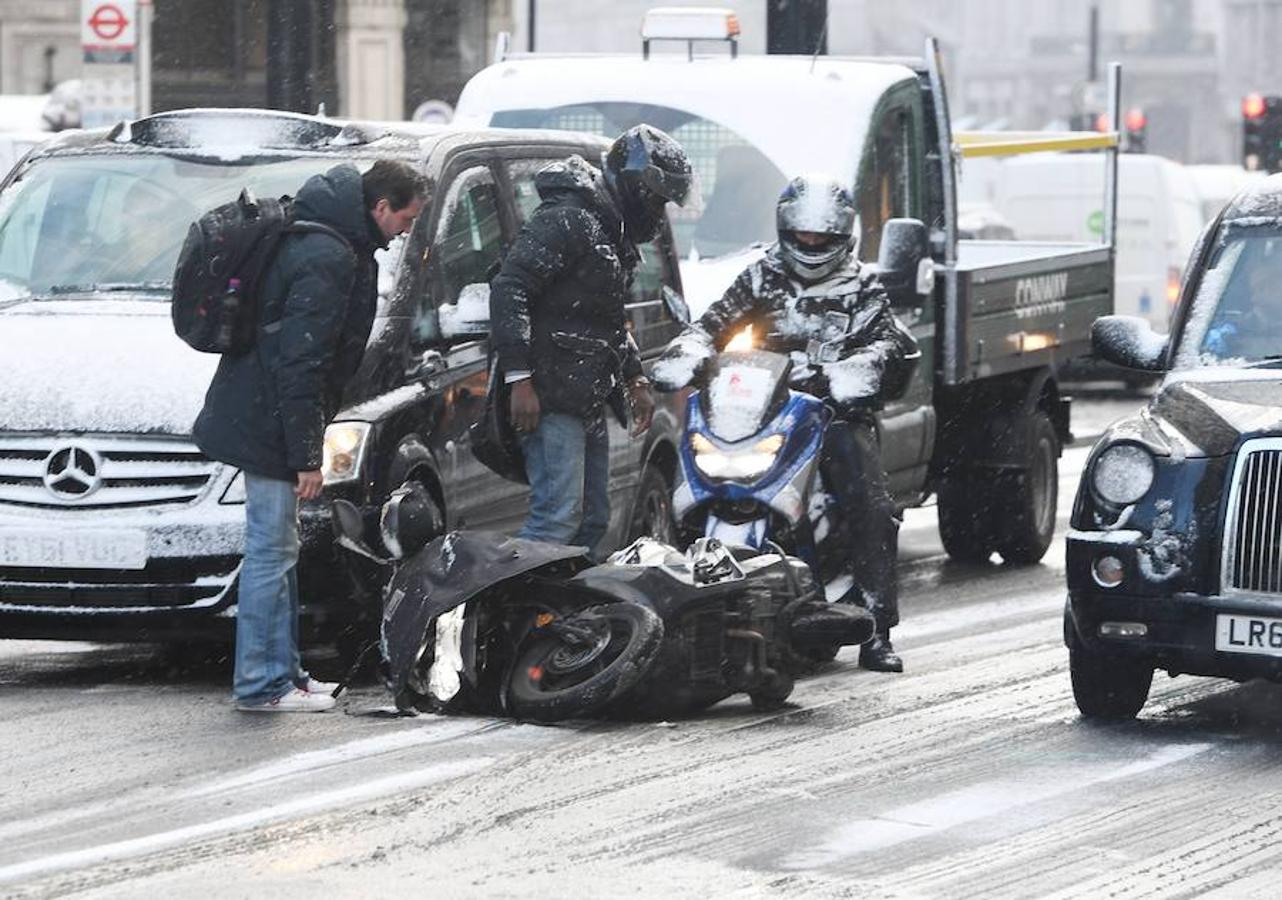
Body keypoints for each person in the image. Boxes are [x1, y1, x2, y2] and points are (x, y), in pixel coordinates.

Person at [194, 160, 426, 712]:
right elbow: (300, 365)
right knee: (271, 552)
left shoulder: (332, 240)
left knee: (281, 549)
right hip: (268, 420)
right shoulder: (327, 256)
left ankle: (287, 674)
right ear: (380, 207)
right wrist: (306, 456)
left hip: (264, 412)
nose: (405, 232)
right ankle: (261, 683)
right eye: (406, 219)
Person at [661, 174, 918, 673]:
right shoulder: (762, 277)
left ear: (842, 237)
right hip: (764, 411)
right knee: (697, 473)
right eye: (803, 237)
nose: (812, 245)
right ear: (786, 232)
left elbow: (886, 345)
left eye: (822, 238)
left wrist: (853, 373)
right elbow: (711, 325)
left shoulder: (862, 287)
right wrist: (688, 352)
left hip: (835, 416)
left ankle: (876, 626)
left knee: (871, 504)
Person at [490, 125, 693, 557]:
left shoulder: (607, 230)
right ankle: (512, 611)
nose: (658, 213)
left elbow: (607, 320)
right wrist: (519, 379)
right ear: (635, 185)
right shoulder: (566, 220)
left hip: (588, 395)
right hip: (552, 394)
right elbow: (510, 288)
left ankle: (564, 614)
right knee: (558, 516)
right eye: (657, 200)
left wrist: (635, 378)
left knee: (592, 518)